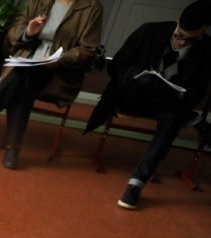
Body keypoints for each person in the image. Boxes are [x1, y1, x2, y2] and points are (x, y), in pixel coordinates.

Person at [84, 1, 211, 210]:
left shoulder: (206, 50)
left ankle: (136, 185)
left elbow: (199, 90)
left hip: (167, 106)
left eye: (190, 39)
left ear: (203, 31)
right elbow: (116, 66)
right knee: (150, 81)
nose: (182, 42)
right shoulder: (149, 31)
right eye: (180, 35)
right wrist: (139, 76)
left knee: (172, 116)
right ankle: (194, 120)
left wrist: (181, 97)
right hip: (131, 97)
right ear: (178, 20)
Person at [0, 0, 103, 169]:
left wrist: (59, 59)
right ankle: (12, 149)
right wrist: (28, 32)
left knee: (23, 76)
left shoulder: (91, 7)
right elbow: (14, 32)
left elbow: (88, 50)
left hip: (59, 71)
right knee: (25, 78)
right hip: (28, 60)